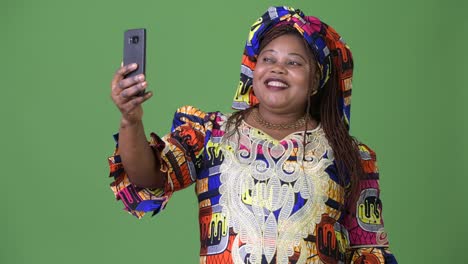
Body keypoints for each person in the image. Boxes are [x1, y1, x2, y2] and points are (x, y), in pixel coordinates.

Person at [108, 6, 397, 264]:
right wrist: (130, 120)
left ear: (315, 81)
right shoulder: (209, 135)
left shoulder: (350, 154)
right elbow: (148, 178)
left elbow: (367, 249)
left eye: (294, 62)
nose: (277, 69)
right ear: (253, 70)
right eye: (268, 58)